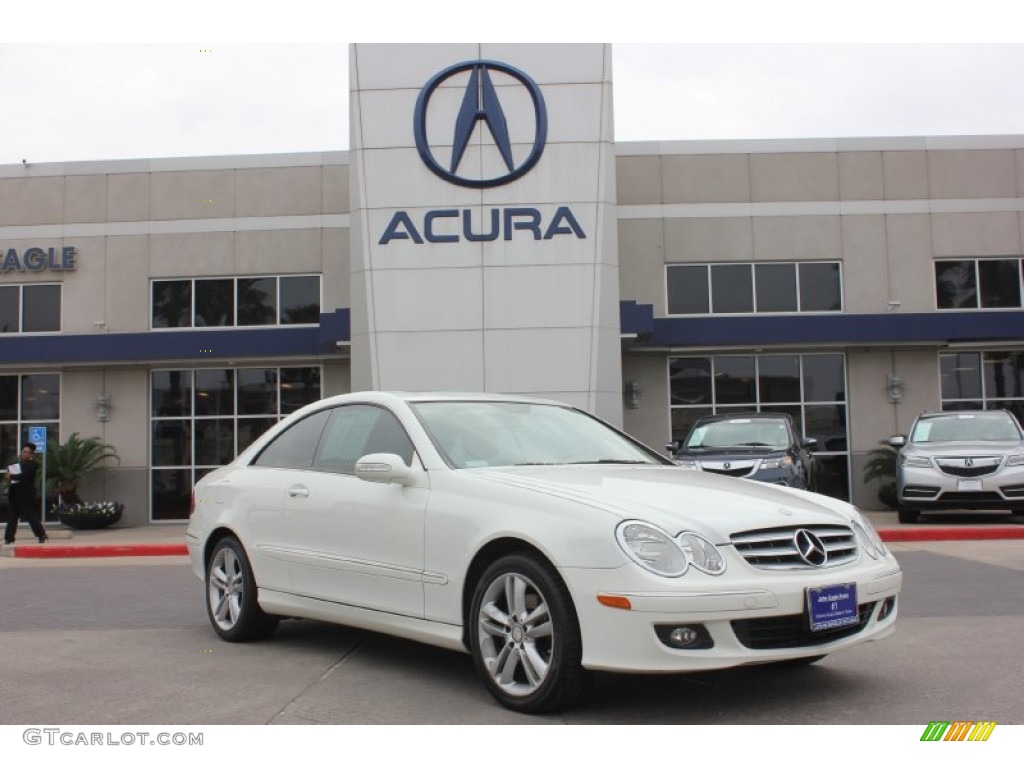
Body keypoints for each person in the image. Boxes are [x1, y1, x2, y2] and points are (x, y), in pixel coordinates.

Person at [3, 441, 48, 544]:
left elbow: (25, 476)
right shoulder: (16, 465)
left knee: (31, 517)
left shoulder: (33, 465)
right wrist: (8, 476)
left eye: (28, 452)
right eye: (24, 452)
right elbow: (11, 478)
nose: (25, 454)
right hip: (14, 495)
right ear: (21, 453)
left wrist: (12, 476)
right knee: (12, 518)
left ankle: (41, 535)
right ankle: (8, 538)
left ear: (31, 454)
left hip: (26, 495)